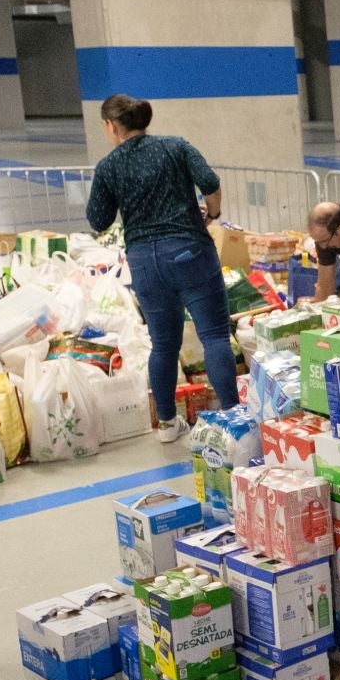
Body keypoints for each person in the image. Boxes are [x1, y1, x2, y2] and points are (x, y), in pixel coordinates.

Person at [85, 93, 236, 441]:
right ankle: (233, 415)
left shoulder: (108, 166)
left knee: (163, 343)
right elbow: (209, 182)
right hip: (189, 251)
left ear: (111, 126)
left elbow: (98, 219)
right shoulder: (175, 146)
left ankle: (167, 424)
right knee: (213, 335)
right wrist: (212, 214)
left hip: (144, 262)